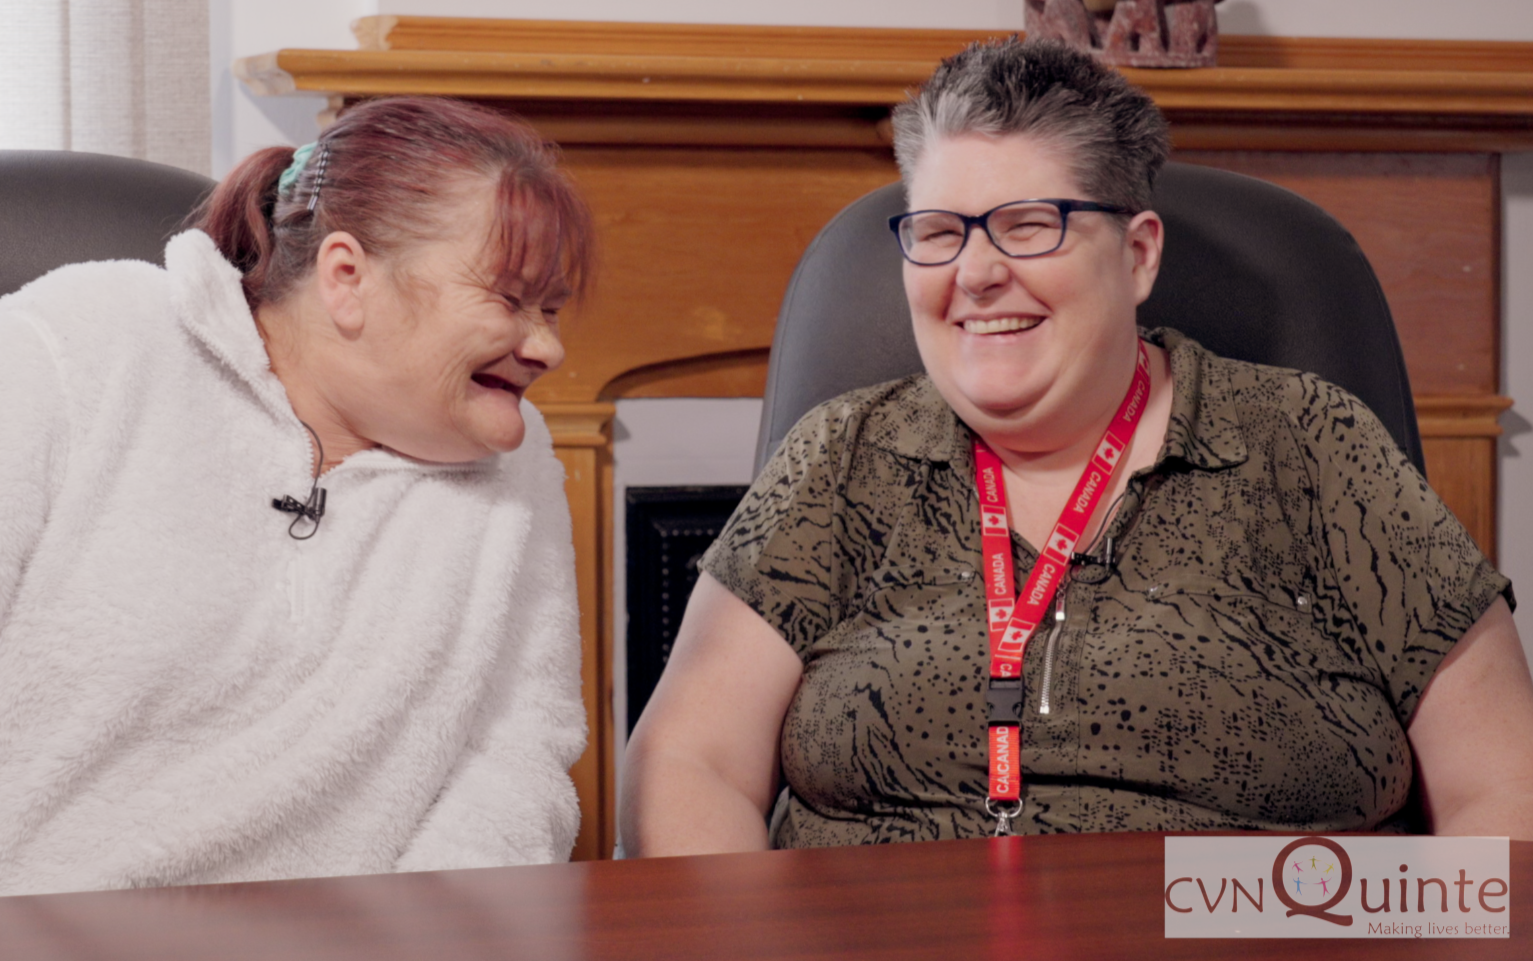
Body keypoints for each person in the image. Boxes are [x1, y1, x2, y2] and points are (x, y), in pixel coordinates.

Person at [619, 38, 1533, 854]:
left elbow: (1503, 783)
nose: (975, 273)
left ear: (1136, 255)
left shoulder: (1309, 441)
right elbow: (688, 763)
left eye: (1028, 225)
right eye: (938, 233)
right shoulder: (845, 453)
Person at [0, 97, 594, 894]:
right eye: (510, 299)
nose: (547, 346)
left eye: (551, 309)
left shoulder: (518, 469)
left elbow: (518, 761)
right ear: (346, 278)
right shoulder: (73, 344)